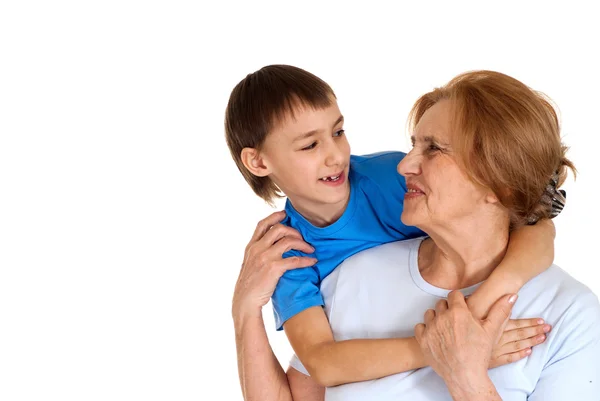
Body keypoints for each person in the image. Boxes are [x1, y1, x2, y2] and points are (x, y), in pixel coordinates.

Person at [234, 70, 600, 400]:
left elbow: (537, 223)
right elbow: (320, 367)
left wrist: (469, 357)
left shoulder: (570, 315)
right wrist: (244, 311)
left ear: (498, 183)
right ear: (259, 162)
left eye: (433, 149)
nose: (404, 164)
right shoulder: (335, 271)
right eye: (310, 145)